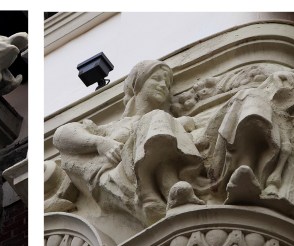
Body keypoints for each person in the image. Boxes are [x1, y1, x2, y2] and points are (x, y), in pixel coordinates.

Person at [53, 60, 204, 226]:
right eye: (156, 79)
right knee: (156, 117)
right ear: (137, 84)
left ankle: (165, 193)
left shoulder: (168, 121)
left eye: (167, 84)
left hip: (139, 180)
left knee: (158, 117)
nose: (163, 86)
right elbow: (61, 135)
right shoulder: (112, 127)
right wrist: (100, 143)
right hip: (116, 180)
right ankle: (167, 190)